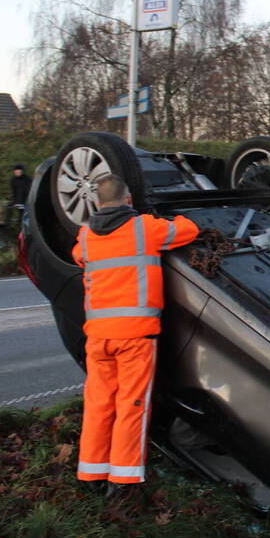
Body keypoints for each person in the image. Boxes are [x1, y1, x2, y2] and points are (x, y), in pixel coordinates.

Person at [71, 173, 199, 498]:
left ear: (97, 203)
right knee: (132, 404)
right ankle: (124, 480)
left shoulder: (86, 236)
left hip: (98, 336)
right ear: (128, 199)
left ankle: (90, 473)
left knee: (99, 403)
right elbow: (188, 229)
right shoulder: (145, 228)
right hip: (134, 336)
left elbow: (77, 256)